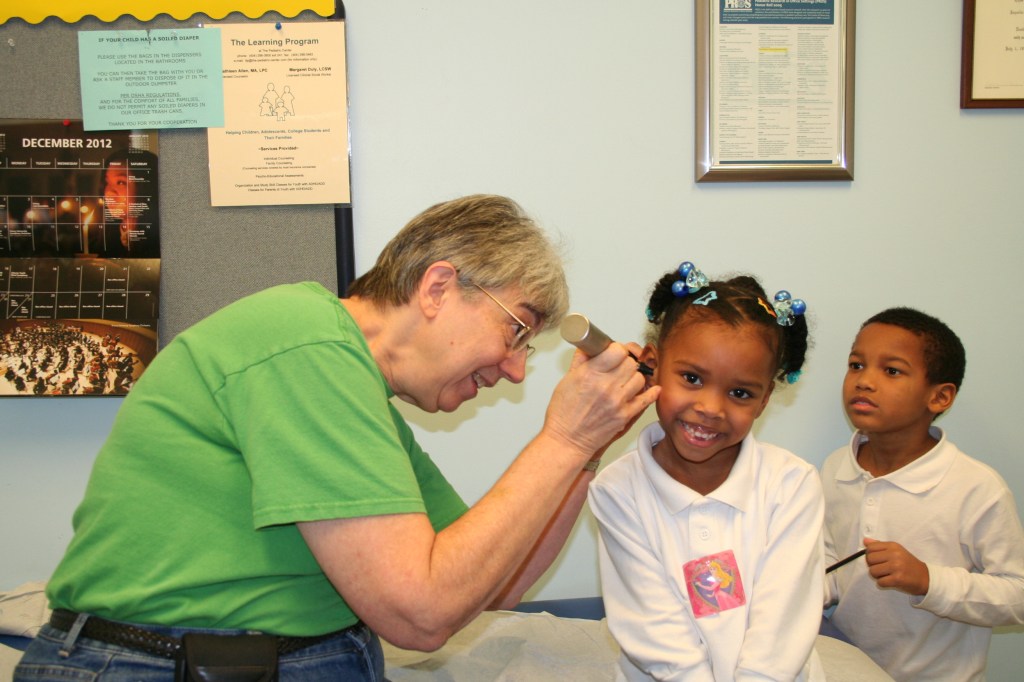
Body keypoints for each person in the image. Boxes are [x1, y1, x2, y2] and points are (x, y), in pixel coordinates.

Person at [14, 194, 658, 681]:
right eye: (516, 332)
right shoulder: (304, 345)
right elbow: (421, 614)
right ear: (438, 287)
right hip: (157, 666)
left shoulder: (355, 393)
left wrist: (588, 446)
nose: (516, 368)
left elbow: (496, 584)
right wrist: (565, 441)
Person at [588, 262, 825, 681]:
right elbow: (653, 629)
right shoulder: (617, 490)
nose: (711, 409)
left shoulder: (792, 485)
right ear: (652, 364)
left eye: (739, 393)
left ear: (765, 398)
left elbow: (782, 625)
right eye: (692, 378)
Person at [821, 307, 1024, 682]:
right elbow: (833, 560)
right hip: (848, 669)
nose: (864, 381)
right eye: (856, 365)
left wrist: (927, 580)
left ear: (940, 397)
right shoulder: (836, 467)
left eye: (892, 370)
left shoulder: (976, 487)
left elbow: (1018, 596)